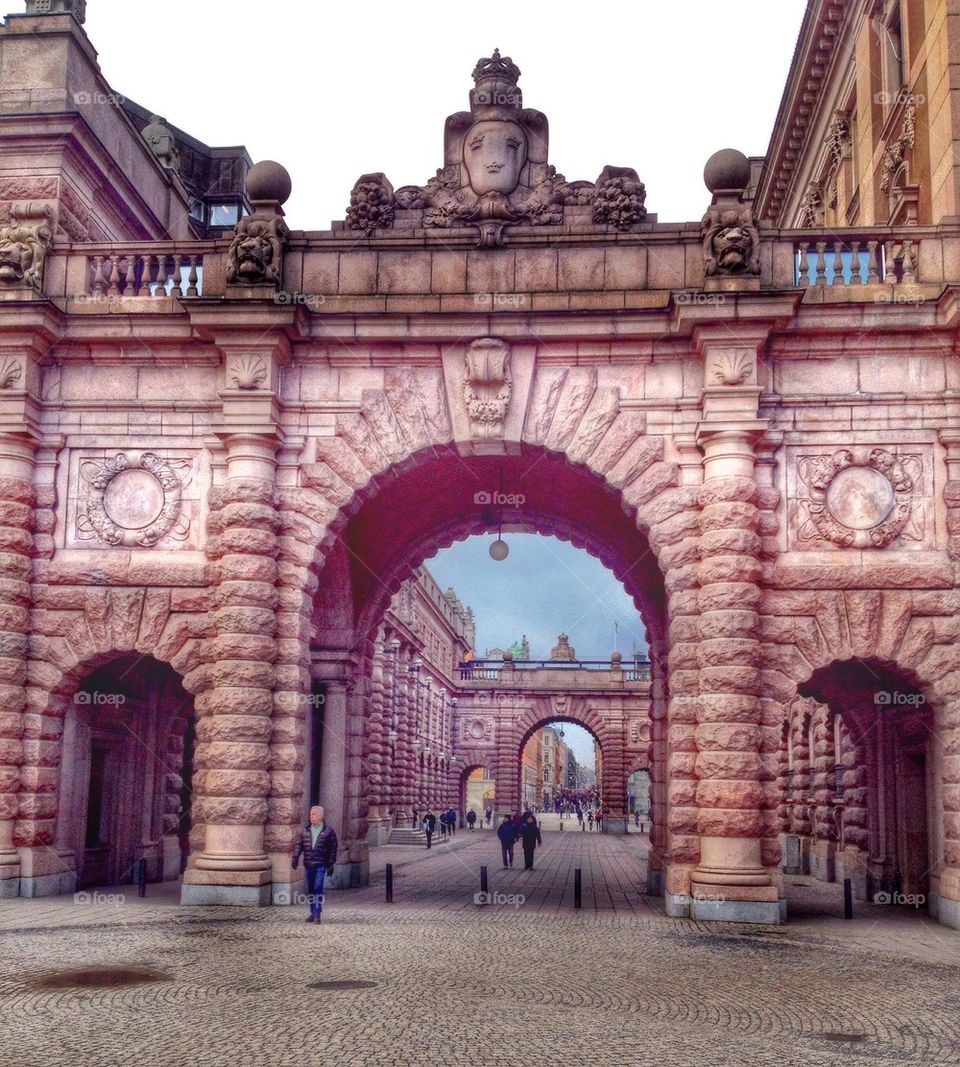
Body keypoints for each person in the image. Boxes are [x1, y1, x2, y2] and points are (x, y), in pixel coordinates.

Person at [290, 805, 338, 924]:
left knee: (318, 886)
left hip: (321, 863)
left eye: (314, 814)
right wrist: (295, 858)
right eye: (310, 814)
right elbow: (298, 845)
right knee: (311, 888)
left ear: (321, 816)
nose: (311, 816)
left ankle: (317, 914)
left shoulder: (329, 831)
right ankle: (313, 912)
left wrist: (331, 863)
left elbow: (333, 847)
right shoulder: (305, 830)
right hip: (309, 863)